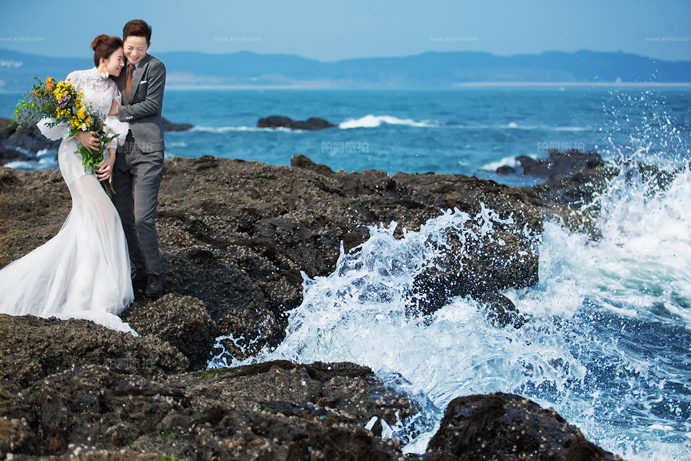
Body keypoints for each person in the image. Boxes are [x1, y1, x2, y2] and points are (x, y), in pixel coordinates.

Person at [0, 35, 135, 334]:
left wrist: (111, 158)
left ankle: (89, 286)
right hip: (74, 156)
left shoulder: (113, 88)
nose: (122, 63)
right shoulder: (76, 79)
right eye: (119, 59)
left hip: (96, 157)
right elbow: (54, 121)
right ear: (104, 58)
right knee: (107, 216)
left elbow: (114, 127)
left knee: (90, 220)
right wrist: (80, 135)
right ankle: (90, 291)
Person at [109, 19, 166, 299]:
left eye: (140, 49)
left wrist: (118, 111)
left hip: (148, 150)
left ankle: (156, 275)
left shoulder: (155, 67)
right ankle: (140, 270)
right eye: (130, 48)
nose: (134, 54)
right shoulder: (116, 67)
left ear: (148, 46)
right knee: (123, 217)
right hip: (117, 150)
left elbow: (153, 105)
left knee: (143, 218)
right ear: (123, 43)